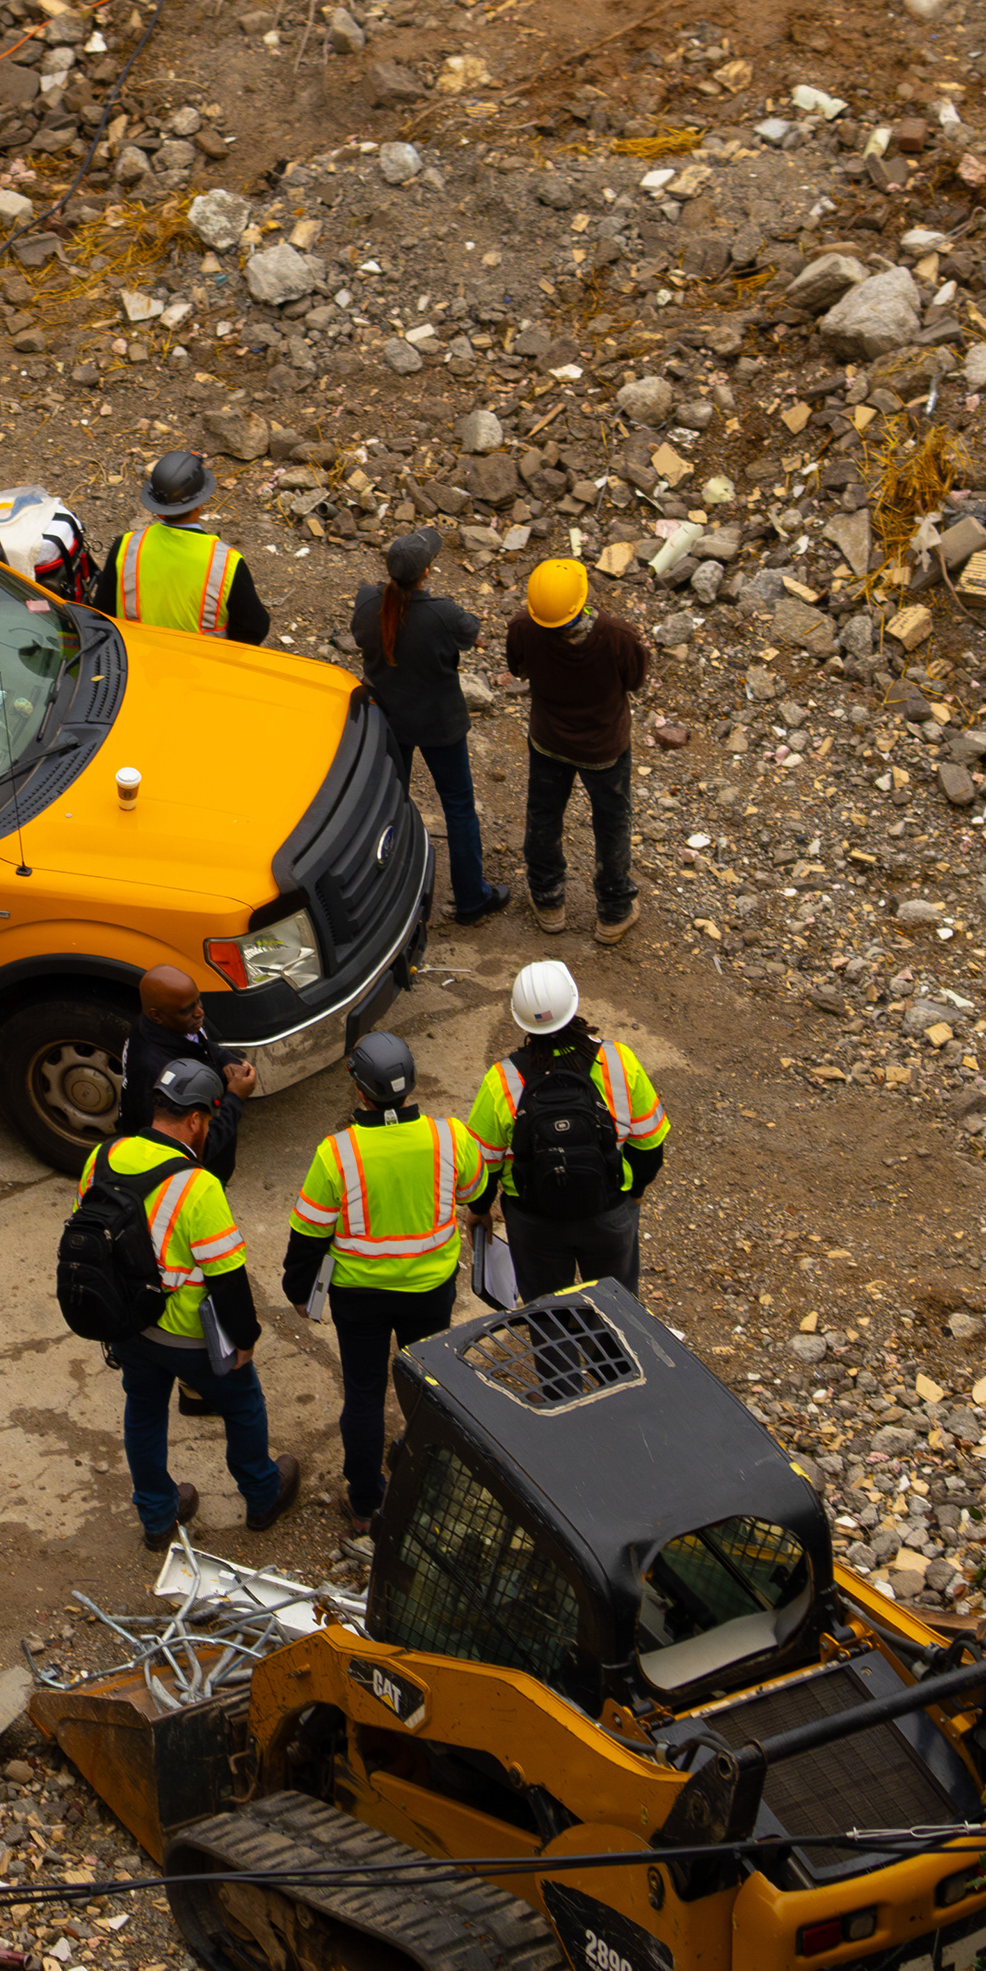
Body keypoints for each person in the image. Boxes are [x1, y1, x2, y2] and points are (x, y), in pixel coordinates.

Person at [79, 1054, 304, 1549]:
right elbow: (226, 1276)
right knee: (244, 1406)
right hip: (189, 1335)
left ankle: (158, 1517)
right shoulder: (197, 1186)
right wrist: (244, 1339)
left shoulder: (103, 1157)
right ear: (198, 1119)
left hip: (129, 1325)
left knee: (143, 1411)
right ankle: (262, 1495)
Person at [280, 1032, 480, 1523]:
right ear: (410, 1084)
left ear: (358, 1090)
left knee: (365, 1395)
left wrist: (299, 1291)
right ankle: (430, 1489)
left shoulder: (337, 1154)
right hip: (430, 1293)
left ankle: (366, 1501)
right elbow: (475, 1187)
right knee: (429, 1390)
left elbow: (307, 1235)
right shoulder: (448, 1136)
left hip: (358, 1299)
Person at [467, 960, 669, 1302]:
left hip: (534, 1224)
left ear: (518, 1016)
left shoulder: (501, 1080)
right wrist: (634, 1193)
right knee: (618, 1313)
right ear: (574, 1002)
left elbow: (482, 1164)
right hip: (608, 1211)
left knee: (549, 1321)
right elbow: (649, 1146)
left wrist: (480, 1208)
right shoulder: (618, 1061)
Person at [352, 526, 506, 926]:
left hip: (390, 721)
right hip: (440, 723)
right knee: (458, 807)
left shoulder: (368, 604)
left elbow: (359, 637)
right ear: (426, 572)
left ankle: (385, 893)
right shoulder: (442, 613)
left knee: (390, 804)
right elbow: (473, 632)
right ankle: (471, 898)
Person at [507, 557, 648, 945]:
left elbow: (517, 668)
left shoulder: (522, 627)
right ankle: (614, 911)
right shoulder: (616, 635)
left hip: (549, 742)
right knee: (612, 823)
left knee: (544, 816)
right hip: (605, 748)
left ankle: (549, 900)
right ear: (582, 598)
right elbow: (635, 680)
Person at [105, 453, 270, 640]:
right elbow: (256, 627)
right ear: (200, 504)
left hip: (135, 661)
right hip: (202, 665)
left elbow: (102, 613)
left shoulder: (125, 547)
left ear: (159, 510)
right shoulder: (226, 563)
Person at [118, 963, 253, 1181]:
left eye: (198, 1001)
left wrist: (227, 1061)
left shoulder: (176, 1025)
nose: (200, 1012)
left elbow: (202, 1045)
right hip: (188, 1181)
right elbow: (196, 1150)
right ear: (156, 1015)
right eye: (187, 1009)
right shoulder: (152, 1071)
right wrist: (235, 1098)